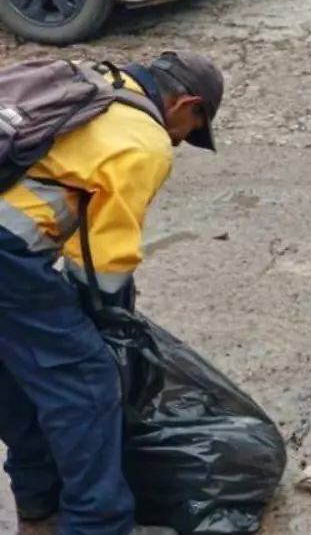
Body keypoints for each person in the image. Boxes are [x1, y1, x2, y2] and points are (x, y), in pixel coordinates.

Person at [0, 52, 223, 535]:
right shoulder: (145, 141)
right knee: (85, 382)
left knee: (17, 371)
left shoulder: (89, 78)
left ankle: (40, 503)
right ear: (186, 104)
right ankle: (98, 524)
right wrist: (112, 329)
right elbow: (102, 266)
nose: (178, 142)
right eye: (188, 132)